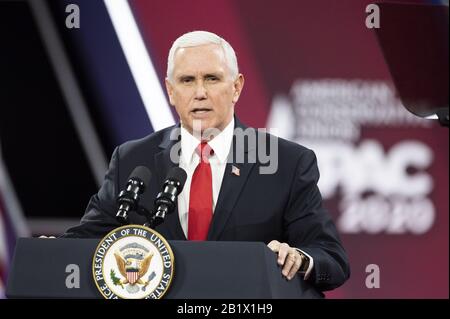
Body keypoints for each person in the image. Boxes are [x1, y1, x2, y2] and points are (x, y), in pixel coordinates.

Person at [62, 31, 350, 292]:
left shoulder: (287, 162)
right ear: (171, 91)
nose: (200, 92)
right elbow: (89, 237)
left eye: (212, 79)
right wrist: (53, 253)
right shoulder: (133, 159)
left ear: (236, 87)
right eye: (187, 80)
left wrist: (300, 258)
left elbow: (332, 261)